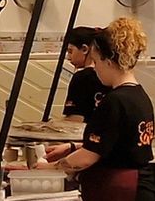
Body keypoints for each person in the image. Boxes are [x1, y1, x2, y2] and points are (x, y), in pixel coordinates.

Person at [53, 16, 155, 201]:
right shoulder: (139, 96)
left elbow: (87, 158)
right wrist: (71, 147)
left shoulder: (115, 101)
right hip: (139, 189)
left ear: (108, 60)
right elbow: (114, 144)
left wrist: (49, 169)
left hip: (122, 193)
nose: (95, 68)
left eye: (96, 61)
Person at [42, 25, 108, 165]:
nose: (68, 57)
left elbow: (76, 120)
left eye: (70, 51)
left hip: (85, 144)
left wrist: (49, 126)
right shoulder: (108, 77)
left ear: (85, 49)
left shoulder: (82, 77)